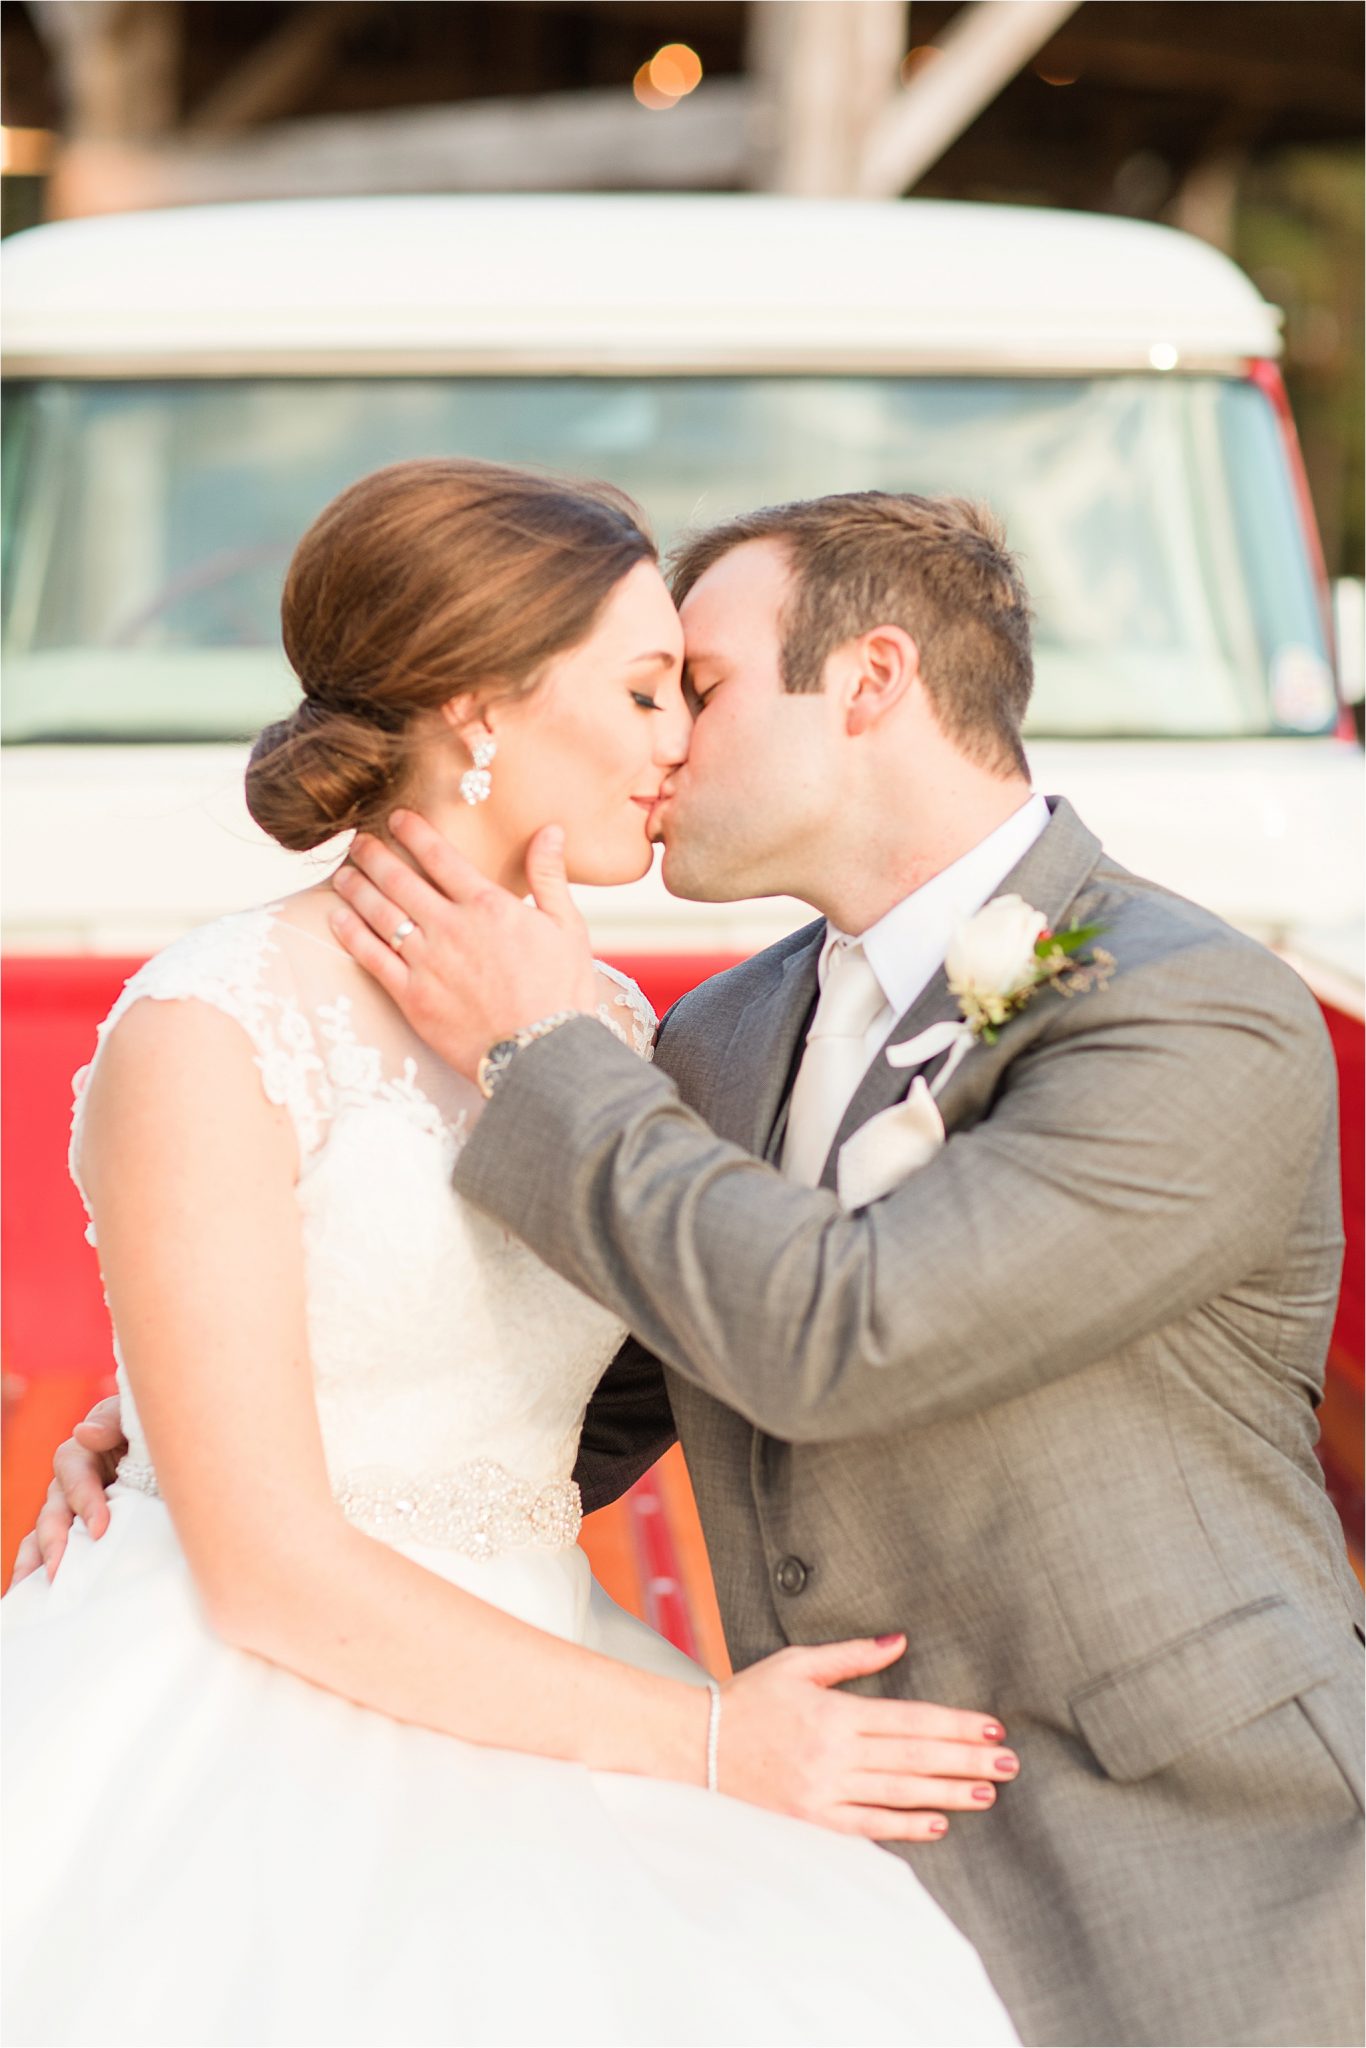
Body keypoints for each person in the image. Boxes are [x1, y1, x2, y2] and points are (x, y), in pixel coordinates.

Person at [293, 492, 1360, 2047]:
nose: (652, 743)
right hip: (829, 1856)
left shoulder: (1189, 1011)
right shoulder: (724, 1031)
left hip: (1194, 1851)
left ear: (866, 681)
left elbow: (848, 1335)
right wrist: (259, 1432)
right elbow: (599, 1382)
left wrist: (536, 1049)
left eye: (693, 690)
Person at [3, 460, 1021, 2048]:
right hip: (250, 1711)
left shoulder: (608, 1027)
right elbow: (269, 1565)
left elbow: (674, 1347)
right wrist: (707, 1744)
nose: (682, 738)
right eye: (643, 691)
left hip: (542, 1659)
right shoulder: (215, 1025)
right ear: (480, 708)